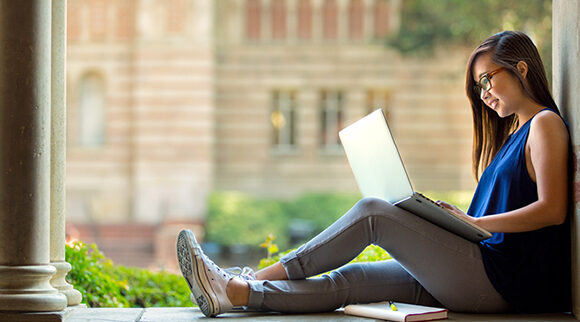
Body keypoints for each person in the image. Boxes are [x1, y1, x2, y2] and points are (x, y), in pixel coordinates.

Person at [176, 30, 571, 317]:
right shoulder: (516, 133)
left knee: (373, 213)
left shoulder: (544, 124)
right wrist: (449, 221)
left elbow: (553, 210)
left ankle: (248, 276)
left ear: (520, 68)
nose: (484, 92)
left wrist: (474, 221)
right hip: (478, 273)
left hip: (501, 282)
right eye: (477, 85)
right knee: (350, 282)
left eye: (488, 79)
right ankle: (236, 293)